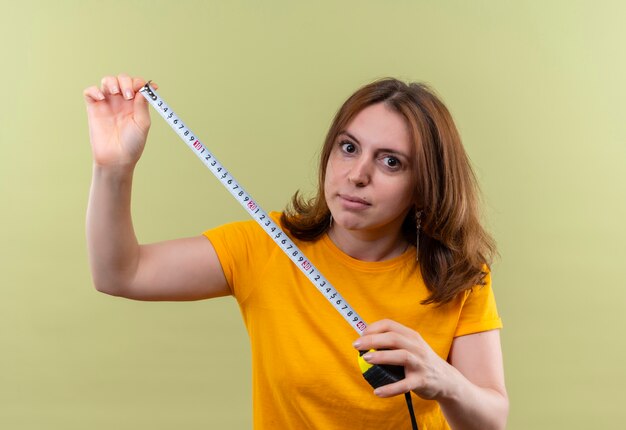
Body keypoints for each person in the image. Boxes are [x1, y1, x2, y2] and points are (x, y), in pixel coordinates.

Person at [83, 73, 509, 429]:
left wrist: (443, 380)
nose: (357, 174)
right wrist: (113, 168)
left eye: (391, 161)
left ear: (425, 185)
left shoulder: (458, 274)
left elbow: (491, 420)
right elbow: (120, 273)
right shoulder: (265, 249)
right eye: (349, 147)